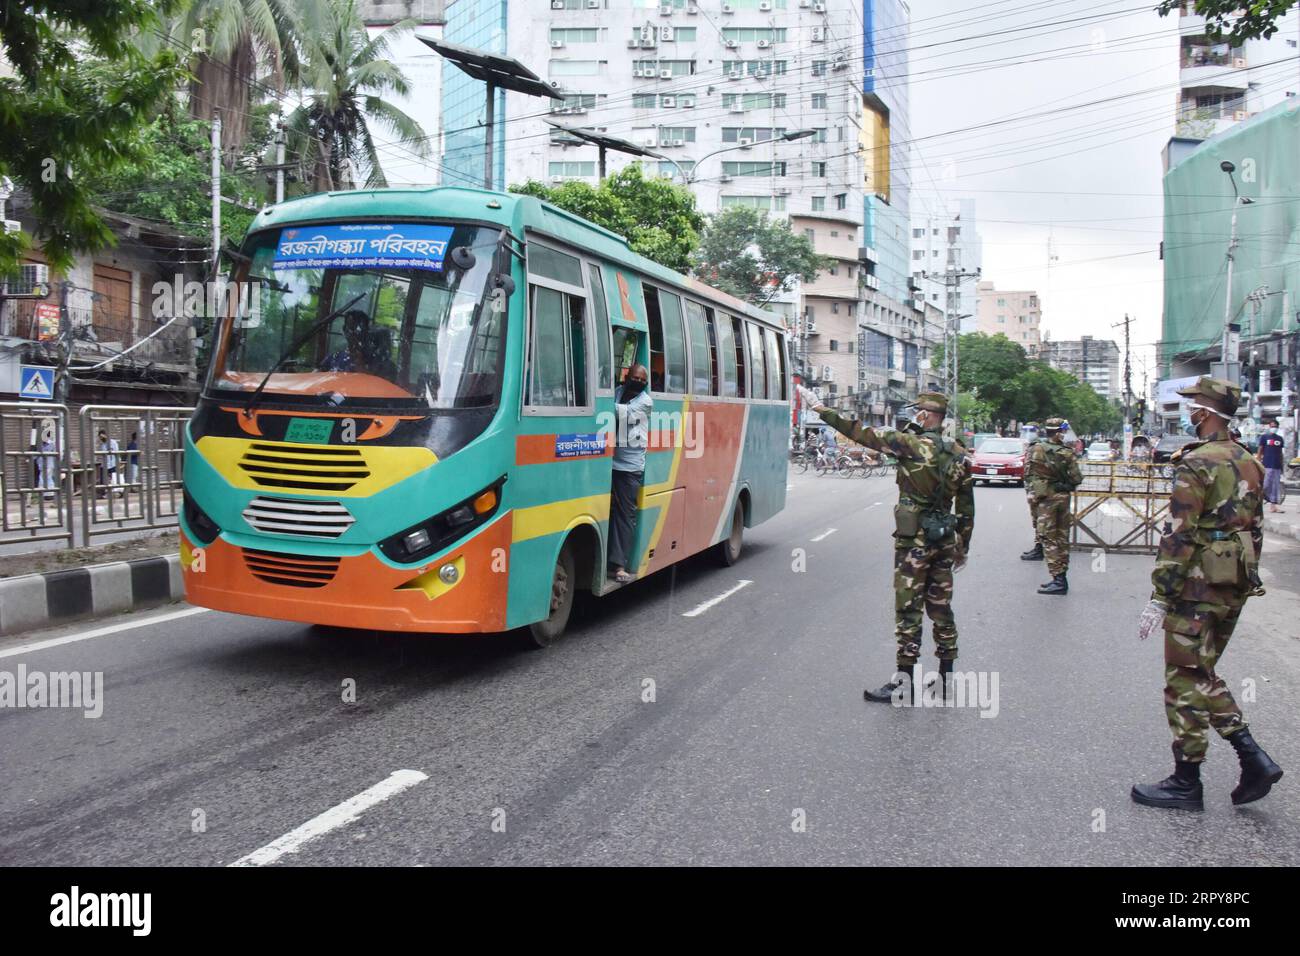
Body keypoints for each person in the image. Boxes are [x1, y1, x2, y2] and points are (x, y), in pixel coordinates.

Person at [1132, 376, 1283, 811]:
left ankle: (1187, 781)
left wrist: (1161, 594)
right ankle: (1251, 759)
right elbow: (1254, 527)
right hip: (1233, 581)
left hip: (1196, 585)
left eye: (1192, 404)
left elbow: (1179, 534)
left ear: (1204, 413)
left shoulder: (1196, 464)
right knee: (1201, 672)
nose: (1187, 410)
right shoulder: (1248, 459)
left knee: (1184, 678)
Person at [799, 386, 975, 702]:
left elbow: (860, 433)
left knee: (908, 609)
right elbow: (966, 508)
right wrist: (963, 547)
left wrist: (820, 409)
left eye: (917, 412)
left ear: (924, 415)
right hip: (944, 540)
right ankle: (945, 677)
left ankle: (904, 683)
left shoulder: (907, 444)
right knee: (940, 607)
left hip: (914, 544)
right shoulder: (959, 454)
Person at [1025, 417, 1082, 595]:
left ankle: (1058, 579)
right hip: (1062, 498)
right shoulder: (1067, 453)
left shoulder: (1034, 449)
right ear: (1058, 433)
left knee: (1048, 538)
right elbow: (1077, 478)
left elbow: (1027, 474)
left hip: (1044, 498)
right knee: (1062, 537)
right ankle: (1061, 576)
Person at [608, 363, 652, 584]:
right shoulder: (618, 392)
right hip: (608, 461)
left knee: (625, 516)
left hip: (630, 467)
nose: (636, 381)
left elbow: (620, 412)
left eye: (640, 379)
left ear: (645, 383)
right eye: (633, 377)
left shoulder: (645, 402)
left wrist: (600, 401)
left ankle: (619, 566)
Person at [1020, 422, 1044, 561]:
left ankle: (1040, 549)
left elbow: (1030, 472)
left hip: (1038, 490)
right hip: (1038, 489)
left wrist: (1031, 491)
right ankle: (1040, 547)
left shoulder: (1036, 447)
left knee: (1039, 520)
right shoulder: (1034, 446)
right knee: (1040, 520)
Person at [1258, 419, 1286, 513]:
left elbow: (1281, 453)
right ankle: (1258, 503)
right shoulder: (1264, 437)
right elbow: (1260, 450)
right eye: (1271, 426)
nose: (1273, 428)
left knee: (1275, 487)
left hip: (1277, 465)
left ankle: (1273, 507)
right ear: (1269, 427)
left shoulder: (1280, 439)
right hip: (1267, 464)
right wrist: (1258, 460)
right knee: (1265, 485)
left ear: (1277, 427)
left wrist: (1282, 465)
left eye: (1275, 426)